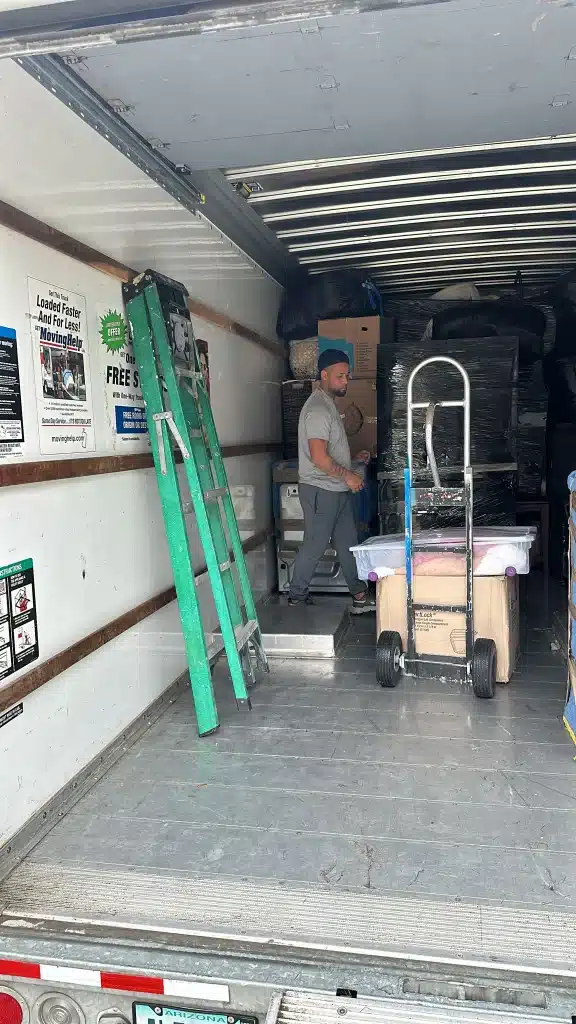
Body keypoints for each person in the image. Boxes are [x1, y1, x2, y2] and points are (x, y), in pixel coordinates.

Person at [288, 348, 376, 614]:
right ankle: (296, 596)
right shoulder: (317, 409)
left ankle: (359, 594)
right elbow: (318, 457)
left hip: (335, 490)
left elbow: (331, 450)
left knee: (348, 543)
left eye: (347, 376)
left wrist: (352, 459)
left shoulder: (328, 405)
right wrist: (348, 475)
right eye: (340, 376)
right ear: (324, 375)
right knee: (315, 544)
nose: (345, 381)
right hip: (320, 490)